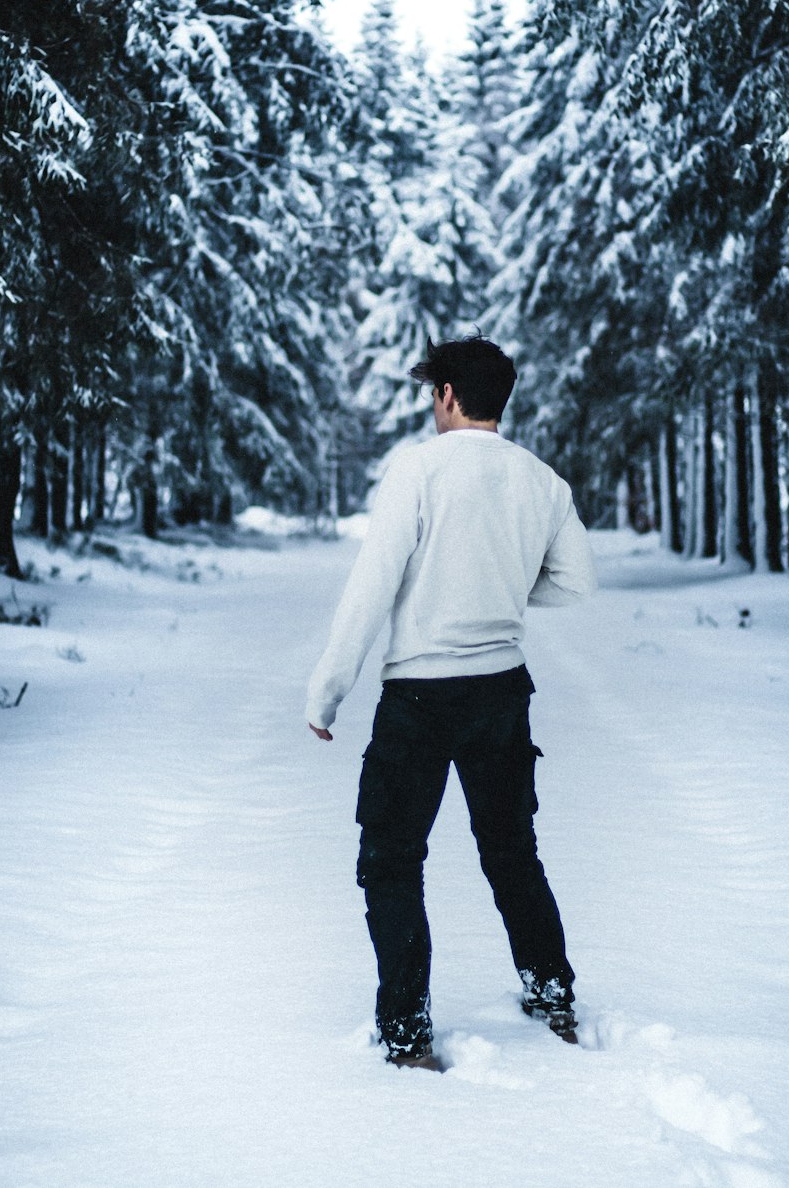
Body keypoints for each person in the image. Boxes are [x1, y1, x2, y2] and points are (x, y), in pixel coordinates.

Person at [306, 335, 598, 1070]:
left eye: (430, 391)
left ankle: (406, 1029)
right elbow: (576, 582)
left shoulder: (419, 470)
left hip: (419, 699)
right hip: (501, 691)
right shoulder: (541, 481)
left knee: (391, 859)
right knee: (510, 851)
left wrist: (328, 691)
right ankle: (552, 991)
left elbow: (373, 583)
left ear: (446, 396)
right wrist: (499, 589)